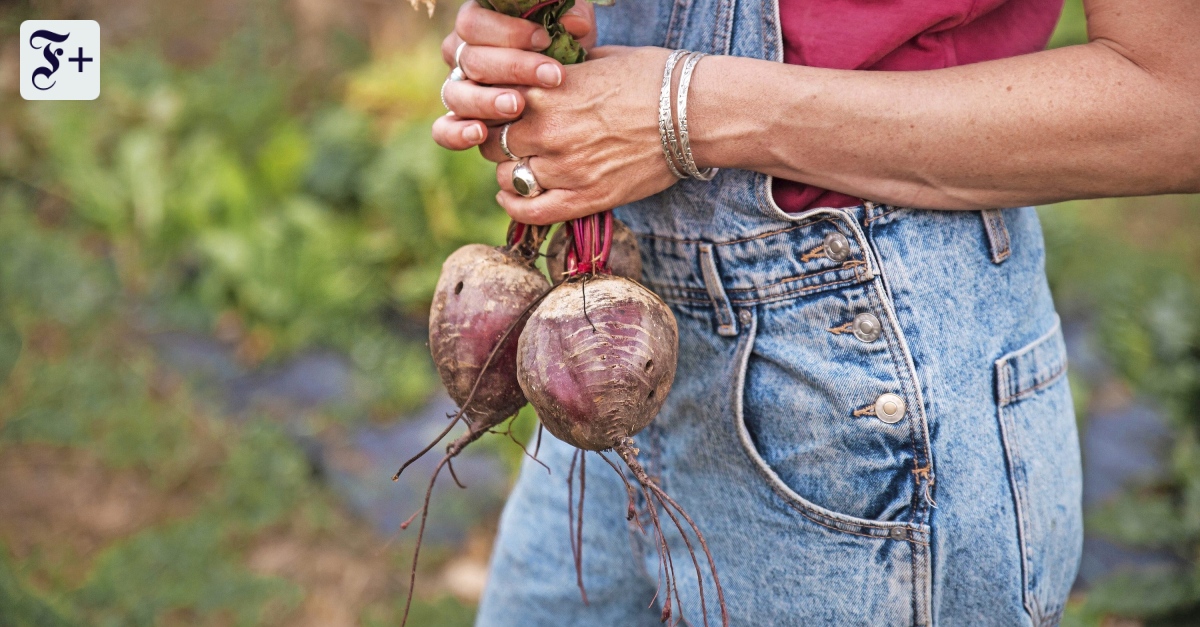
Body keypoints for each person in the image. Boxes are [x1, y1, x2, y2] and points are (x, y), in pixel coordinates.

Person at [432, 0, 1200, 624]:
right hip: (615, 348)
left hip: (864, 388)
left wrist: (686, 108)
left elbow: (1177, 102)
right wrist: (524, 49)